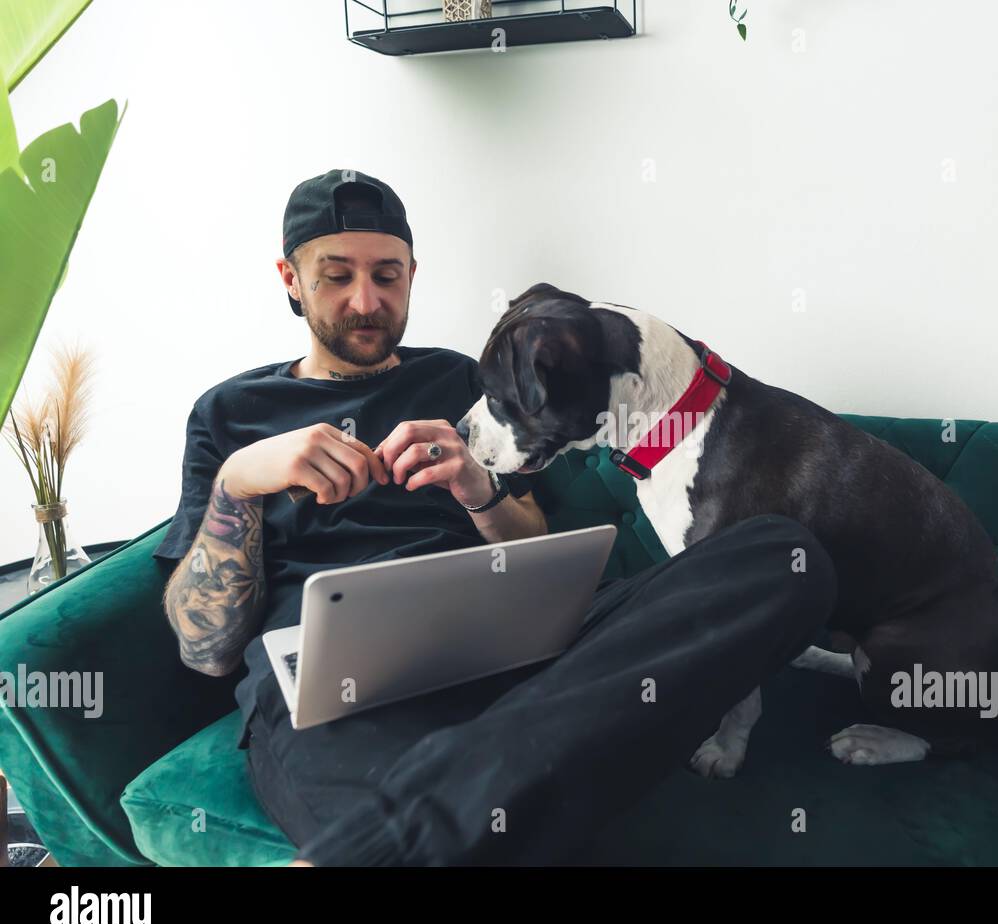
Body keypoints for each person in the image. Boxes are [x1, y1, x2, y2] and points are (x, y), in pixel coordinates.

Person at [154, 169, 838, 866]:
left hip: (509, 654)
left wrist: (480, 489)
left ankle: (473, 784)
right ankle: (492, 782)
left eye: (387, 275)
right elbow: (203, 649)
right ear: (290, 277)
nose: (367, 300)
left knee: (780, 555)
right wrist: (238, 485)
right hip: (335, 699)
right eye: (336, 276)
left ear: (412, 274)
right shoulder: (229, 414)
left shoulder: (468, 383)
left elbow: (536, 550)